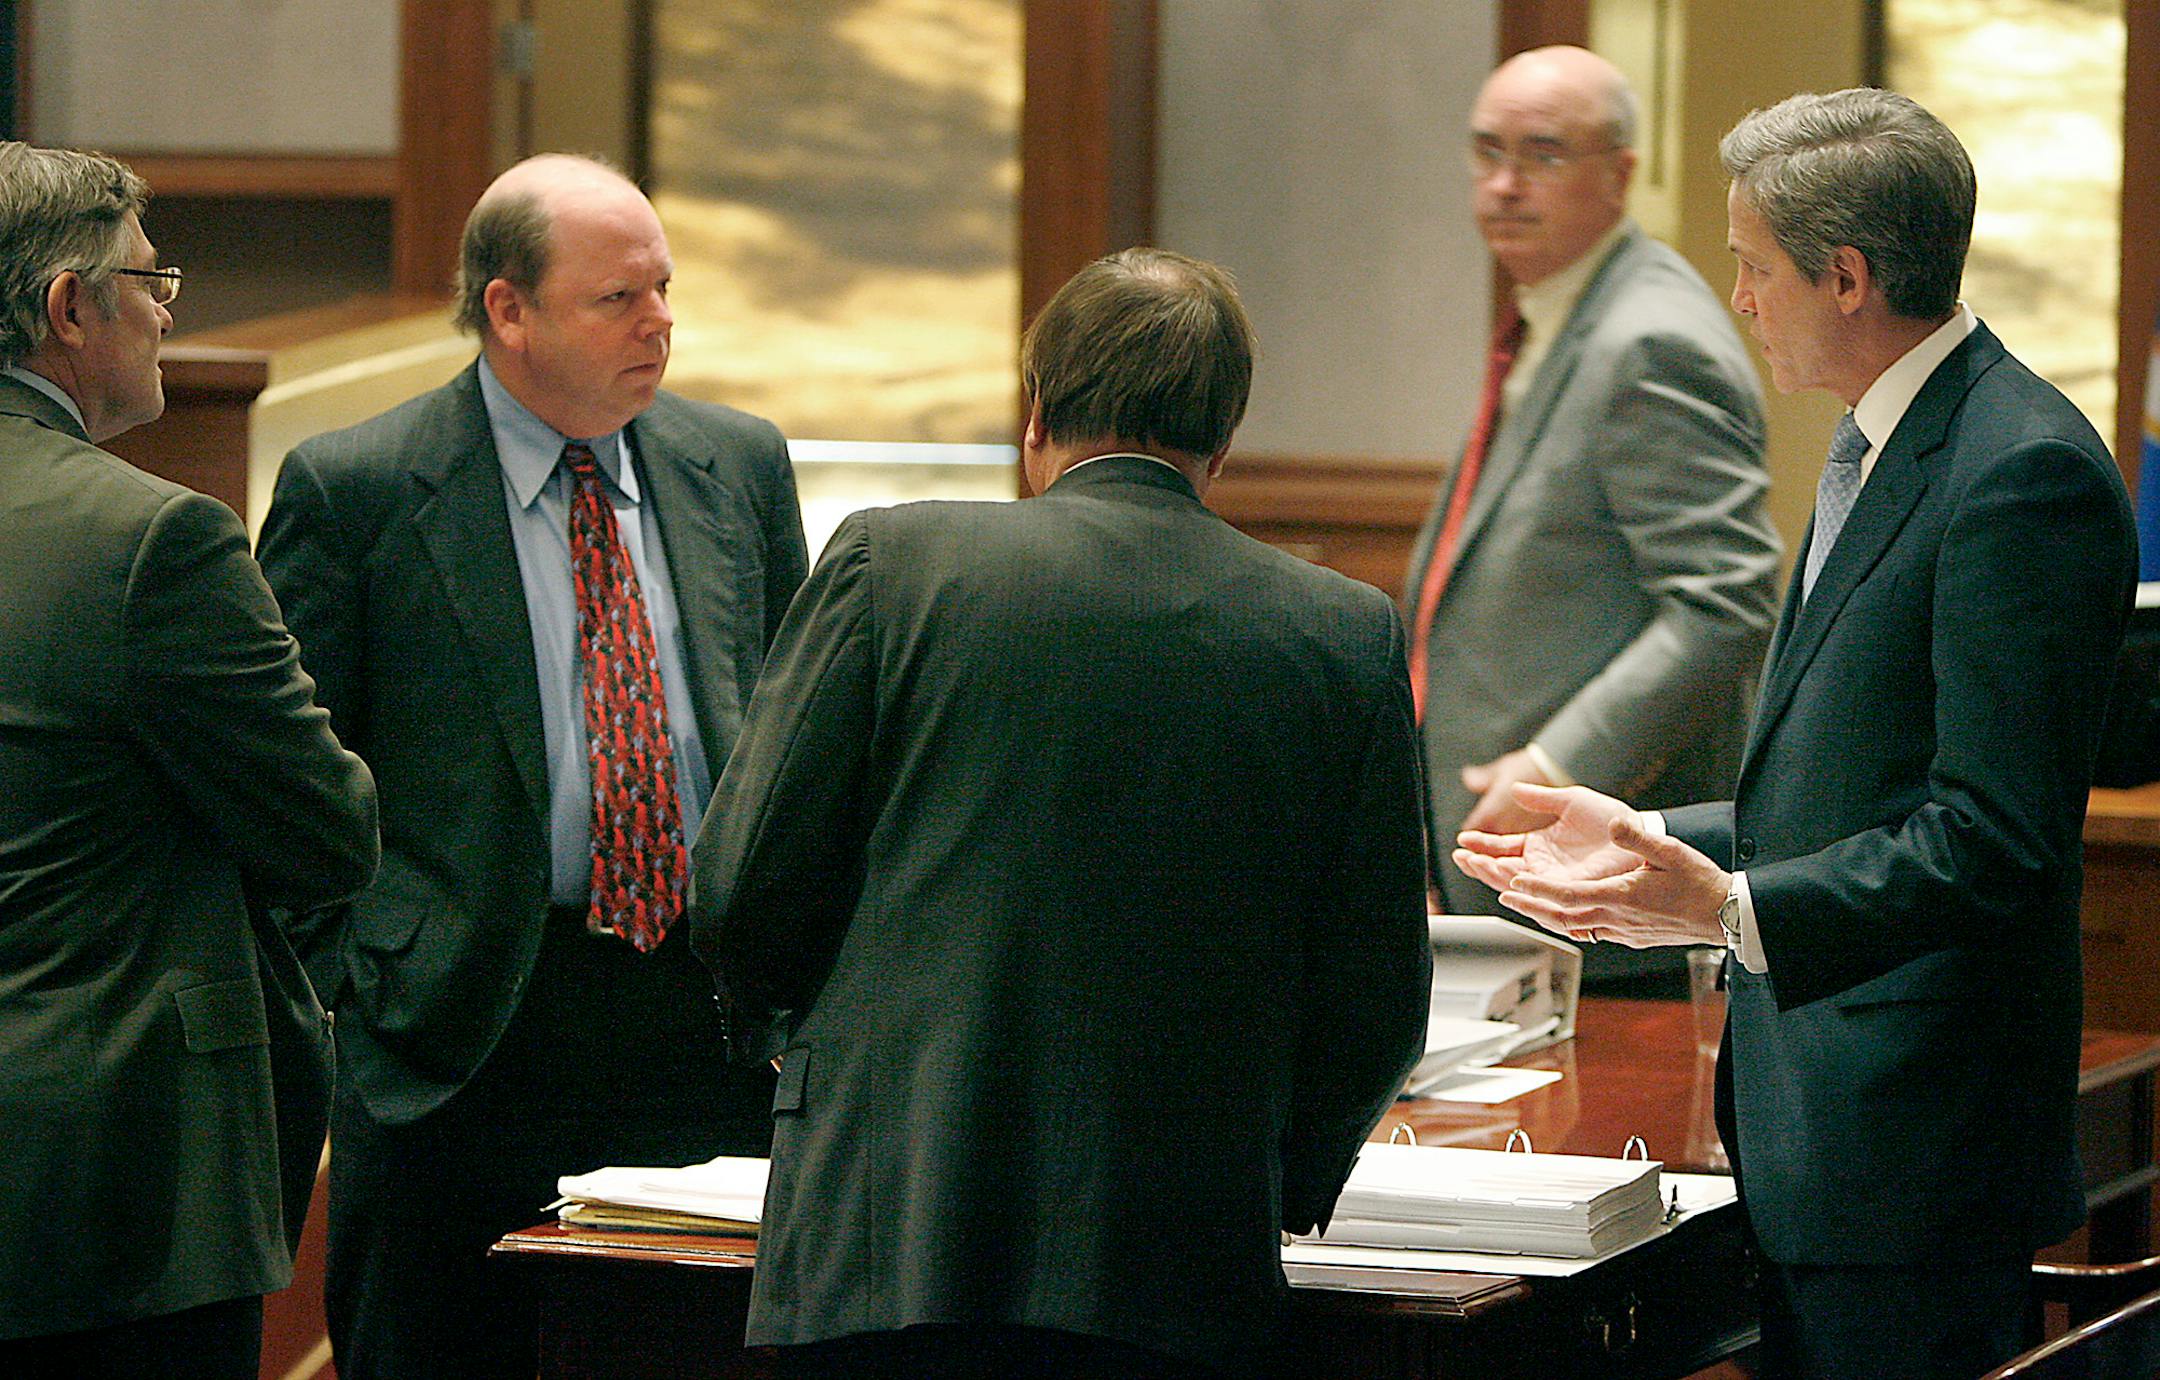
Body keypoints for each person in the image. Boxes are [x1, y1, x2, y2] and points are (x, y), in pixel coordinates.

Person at [1457, 89, 2136, 1378]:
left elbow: (1993, 840)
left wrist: (1728, 909)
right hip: (1827, 1147)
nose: (1739, 297)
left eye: (1753, 267)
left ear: (1845, 276)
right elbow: (1851, 788)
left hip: (1918, 1153)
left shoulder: (2017, 470)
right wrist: (1650, 833)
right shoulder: (1883, 444)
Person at [691, 248, 1432, 1378]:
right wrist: (1274, 1178)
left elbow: (744, 880)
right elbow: (1377, 989)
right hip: (1181, 1258)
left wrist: (808, 1075)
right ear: (1222, 440)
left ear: (1034, 412)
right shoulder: (1340, 632)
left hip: (883, 1238)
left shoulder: (891, 563)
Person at [255, 154, 809, 1379]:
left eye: (665, 288)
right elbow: (285, 786)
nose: (661, 321)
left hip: (698, 1021)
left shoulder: (740, 466)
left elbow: (796, 738)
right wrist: (366, 982)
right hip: (459, 1032)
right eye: (620, 298)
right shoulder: (354, 490)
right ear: (508, 309)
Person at [0, 144, 379, 1377]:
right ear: (68, 306)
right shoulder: (152, 542)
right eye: (148, 277)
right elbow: (325, 832)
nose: (168, 307)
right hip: (110, 1186)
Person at [1409, 45, 1779, 993]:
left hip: (1601, 882)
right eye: (1486, 152)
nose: (1502, 186)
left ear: (1620, 172)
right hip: (1526, 885)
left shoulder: (1648, 339)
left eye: (1542, 154)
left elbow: (1725, 602)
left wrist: (1550, 759)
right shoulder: (1565, 312)